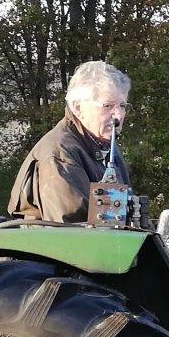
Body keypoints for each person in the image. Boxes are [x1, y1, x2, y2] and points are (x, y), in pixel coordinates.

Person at [8, 61, 132, 223]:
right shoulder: (59, 154)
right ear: (78, 108)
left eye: (122, 106)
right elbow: (71, 230)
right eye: (107, 106)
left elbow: (125, 216)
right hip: (51, 246)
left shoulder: (109, 151)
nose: (118, 115)